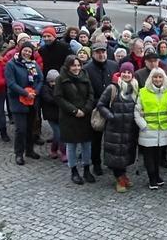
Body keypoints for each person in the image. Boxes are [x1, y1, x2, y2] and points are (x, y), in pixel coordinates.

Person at [97, 62, 139, 193]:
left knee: (125, 153)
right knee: (116, 154)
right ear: (121, 73)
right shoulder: (112, 88)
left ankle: (123, 175)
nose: (126, 74)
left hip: (129, 128)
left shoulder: (135, 88)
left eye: (129, 72)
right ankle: (119, 178)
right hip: (114, 128)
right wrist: (111, 116)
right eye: (124, 72)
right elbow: (101, 104)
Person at [54, 55, 96, 184]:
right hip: (69, 117)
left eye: (78, 65)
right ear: (68, 66)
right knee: (71, 145)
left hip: (85, 115)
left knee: (86, 144)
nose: (76, 68)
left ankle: (87, 169)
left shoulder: (85, 75)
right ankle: (73, 171)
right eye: (74, 65)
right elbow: (59, 97)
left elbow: (91, 94)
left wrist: (85, 109)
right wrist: (74, 110)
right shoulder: (61, 79)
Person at [4, 42, 44, 165]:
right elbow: (11, 83)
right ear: (21, 50)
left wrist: (35, 91)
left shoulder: (33, 64)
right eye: (25, 50)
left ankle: (29, 150)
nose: (27, 53)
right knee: (20, 129)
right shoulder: (11, 64)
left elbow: (40, 78)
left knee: (31, 128)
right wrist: (25, 92)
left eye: (29, 51)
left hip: (32, 100)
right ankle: (19, 153)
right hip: (18, 100)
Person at [83, 42, 119, 175]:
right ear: (93, 54)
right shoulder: (87, 69)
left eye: (103, 52)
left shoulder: (114, 65)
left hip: (112, 108)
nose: (101, 54)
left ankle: (111, 162)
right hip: (96, 108)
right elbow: (86, 91)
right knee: (96, 139)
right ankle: (96, 163)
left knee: (112, 140)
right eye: (98, 52)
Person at [135, 68, 167, 189]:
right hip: (148, 129)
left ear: (164, 78)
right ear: (151, 78)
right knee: (149, 156)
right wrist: (143, 126)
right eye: (155, 77)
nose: (157, 79)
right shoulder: (143, 92)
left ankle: (157, 176)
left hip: (163, 129)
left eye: (160, 77)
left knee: (158, 155)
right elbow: (137, 111)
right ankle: (152, 178)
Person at [41, 69, 62, 160]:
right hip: (51, 116)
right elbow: (49, 99)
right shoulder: (45, 89)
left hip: (60, 115)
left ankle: (57, 149)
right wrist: (59, 100)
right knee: (58, 134)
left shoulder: (60, 88)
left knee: (61, 134)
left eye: (55, 81)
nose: (53, 83)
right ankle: (58, 150)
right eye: (52, 81)